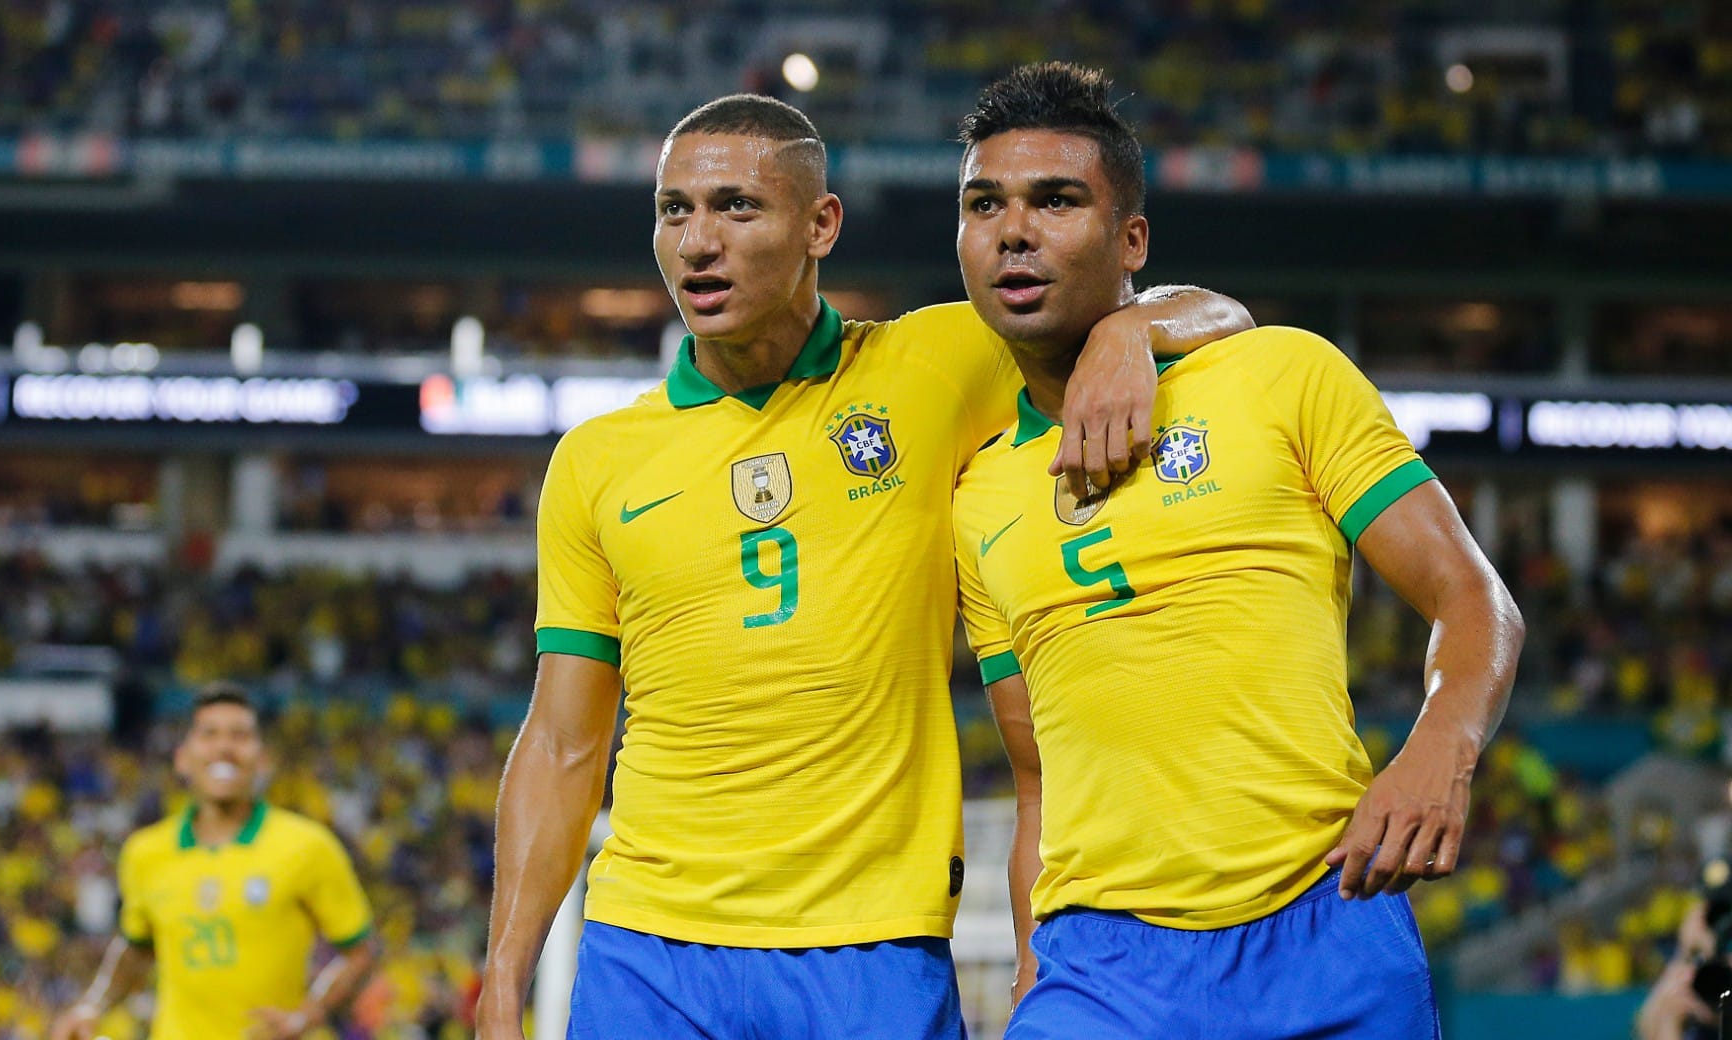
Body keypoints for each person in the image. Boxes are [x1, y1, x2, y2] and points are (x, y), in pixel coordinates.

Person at [475, 94, 1253, 1039]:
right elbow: (564, 743)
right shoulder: (596, 461)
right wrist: (504, 977)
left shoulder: (937, 362)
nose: (698, 243)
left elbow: (1219, 313)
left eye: (737, 207)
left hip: (874, 947)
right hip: (649, 949)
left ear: (821, 225)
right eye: (675, 211)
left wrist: (1130, 332)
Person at [948, 63, 1525, 1039]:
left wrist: (1442, 746)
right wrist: (1031, 967)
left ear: (1132, 240)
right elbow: (1037, 780)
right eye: (984, 204)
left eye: (1056, 200)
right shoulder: (979, 499)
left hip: (1325, 922)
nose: (1014, 230)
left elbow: (1472, 598)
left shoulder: (1281, 376)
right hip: (1103, 968)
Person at [50, 683, 380, 1040]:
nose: (224, 747)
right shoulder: (145, 852)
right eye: (209, 734)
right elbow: (136, 948)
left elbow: (360, 951)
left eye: (240, 736)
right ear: (183, 758)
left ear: (262, 759)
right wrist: (91, 1006)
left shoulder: (308, 846)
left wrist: (305, 1016)